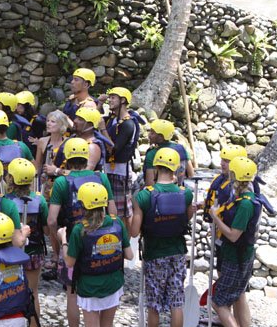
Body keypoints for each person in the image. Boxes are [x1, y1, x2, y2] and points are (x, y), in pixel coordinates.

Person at [48, 137, 116, 327]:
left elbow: (51, 220)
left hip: (72, 239)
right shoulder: (101, 177)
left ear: (66, 158)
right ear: (86, 156)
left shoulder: (61, 183)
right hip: (100, 239)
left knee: (72, 293)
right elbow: (113, 212)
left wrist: (58, 245)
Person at [130, 148, 194, 327]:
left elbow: (134, 232)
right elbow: (186, 217)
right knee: (177, 301)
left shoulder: (144, 195)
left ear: (156, 167)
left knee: (154, 303)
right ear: (176, 168)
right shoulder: (185, 193)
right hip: (177, 252)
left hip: (154, 254)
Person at [63, 182, 133, 327]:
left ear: (83, 205)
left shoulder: (79, 230)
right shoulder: (117, 223)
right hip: (113, 284)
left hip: (89, 288)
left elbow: (69, 263)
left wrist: (63, 240)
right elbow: (130, 255)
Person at [208, 157, 262, 327]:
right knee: (238, 295)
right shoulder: (244, 198)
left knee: (219, 302)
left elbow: (233, 235)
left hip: (236, 258)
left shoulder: (246, 205)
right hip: (240, 257)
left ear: (235, 178)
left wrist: (215, 217)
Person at [4, 158, 49, 327]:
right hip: (34, 252)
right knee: (33, 293)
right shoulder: (39, 200)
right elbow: (46, 229)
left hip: (11, 254)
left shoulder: (6, 202)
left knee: (8, 292)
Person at [102, 87, 141, 229]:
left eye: (113, 97)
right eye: (110, 97)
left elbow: (114, 149)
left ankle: (127, 243)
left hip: (120, 172)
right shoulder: (112, 119)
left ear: (123, 100)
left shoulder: (128, 124)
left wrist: (103, 130)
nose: (110, 100)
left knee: (123, 211)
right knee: (109, 207)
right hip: (108, 169)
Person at [54, 107, 111, 172]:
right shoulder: (72, 138)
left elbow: (85, 173)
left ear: (90, 125)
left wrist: (56, 171)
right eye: (76, 117)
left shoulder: (92, 147)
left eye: (80, 119)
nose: (75, 121)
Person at [34, 110, 73, 197]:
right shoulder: (42, 141)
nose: (48, 123)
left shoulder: (69, 143)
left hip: (63, 182)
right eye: (48, 121)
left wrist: (55, 171)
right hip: (46, 185)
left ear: (61, 125)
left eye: (53, 121)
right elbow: (38, 166)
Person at [144, 119, 194, 186]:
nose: (149, 135)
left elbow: (149, 184)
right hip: (178, 190)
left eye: (152, 133)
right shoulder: (181, 148)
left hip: (158, 193)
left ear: (161, 137)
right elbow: (191, 174)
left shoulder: (152, 154)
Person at [16, 90, 46, 155]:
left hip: (34, 154)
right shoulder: (19, 118)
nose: (16, 107)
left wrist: (39, 142)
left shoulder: (37, 120)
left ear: (27, 105)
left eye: (19, 105)